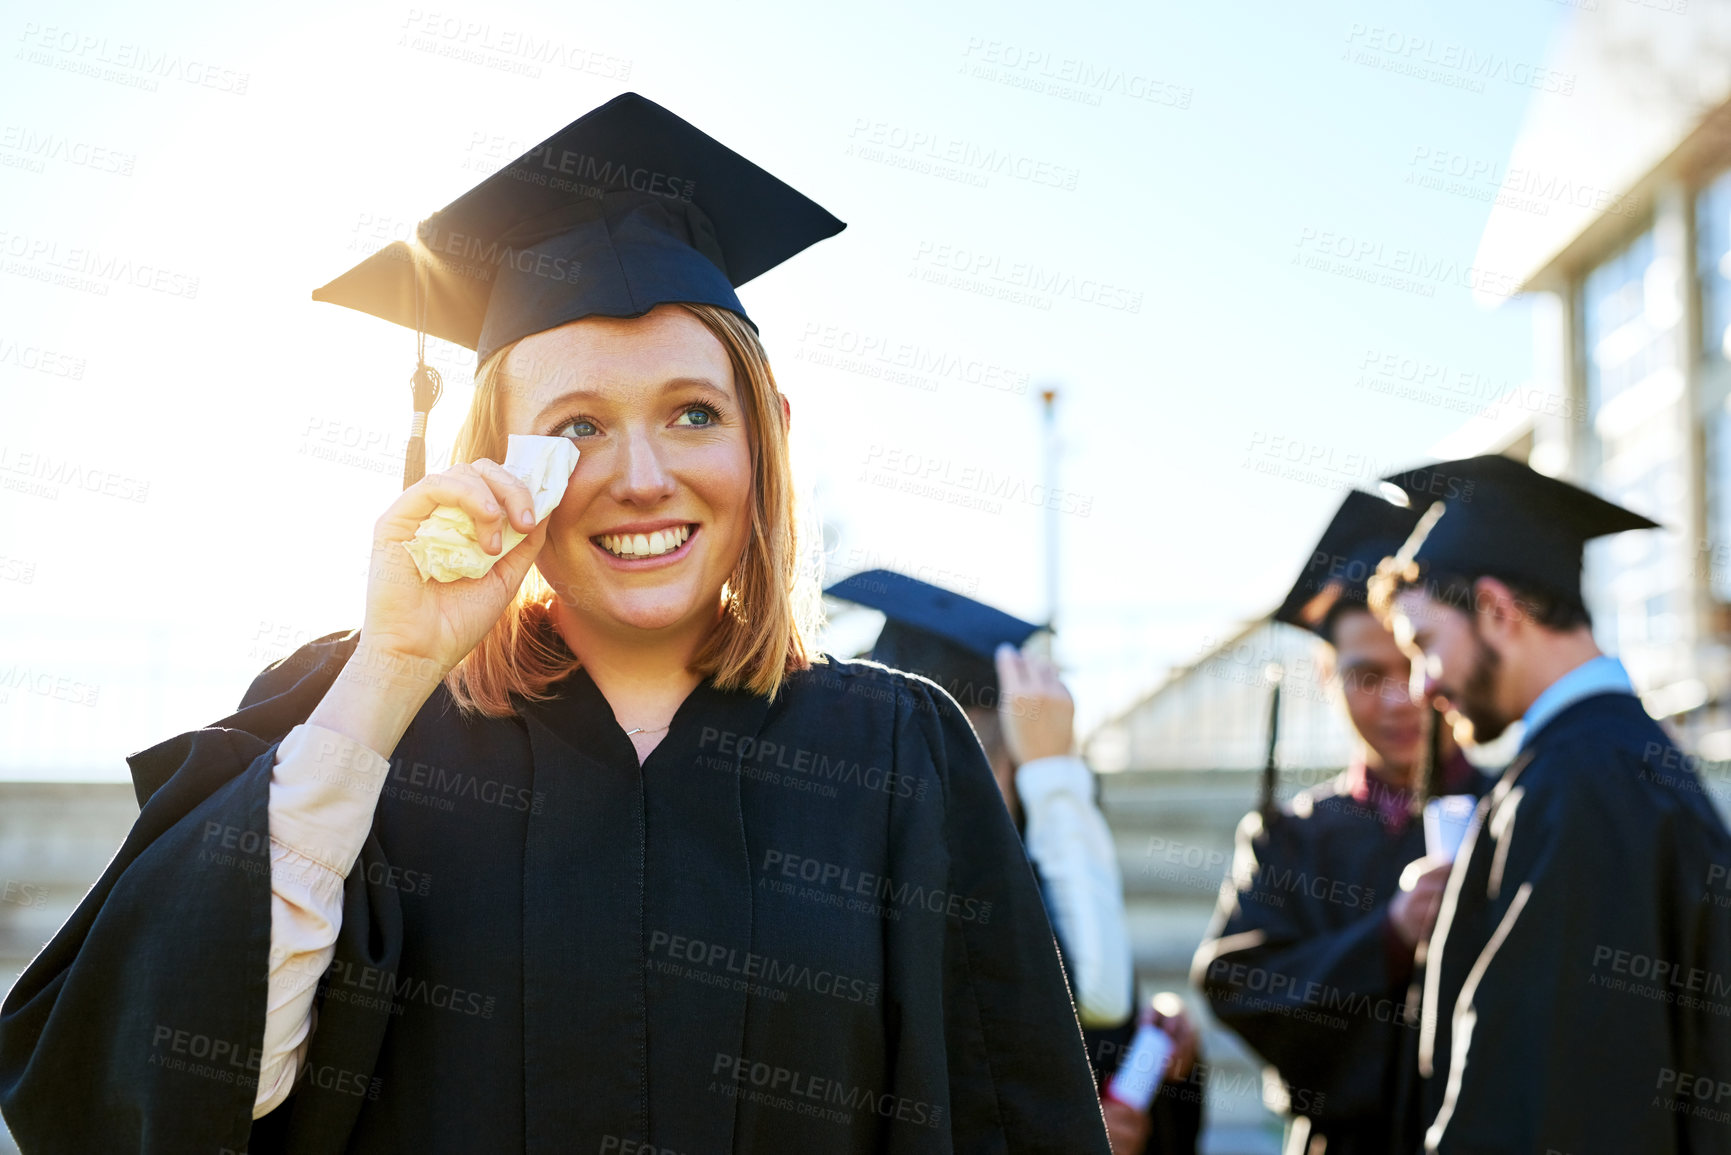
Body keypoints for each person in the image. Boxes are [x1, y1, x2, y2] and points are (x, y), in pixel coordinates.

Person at [0, 94, 1111, 1155]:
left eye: (693, 413)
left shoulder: (898, 757)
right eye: (576, 427)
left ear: (765, 434)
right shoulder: (355, 720)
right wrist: (389, 673)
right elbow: (157, 1097)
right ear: (499, 460)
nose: (642, 476)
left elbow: (1011, 1123)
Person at [1370, 454, 1731, 1154]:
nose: (1419, 688)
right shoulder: (1623, 760)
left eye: (1424, 644)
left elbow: (1553, 1096)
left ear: (1497, 609)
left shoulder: (1579, 782)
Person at [825, 569, 1203, 1155]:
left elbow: (1100, 1014)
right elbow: (1095, 993)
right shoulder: (867, 882)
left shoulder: (1025, 857)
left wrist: (1154, 1037)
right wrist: (1057, 780)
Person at [1193, 489, 1492, 1155]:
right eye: (1365, 676)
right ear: (1326, 677)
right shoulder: (1291, 834)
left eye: (1412, 664)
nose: (1398, 700)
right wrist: (1389, 934)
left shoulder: (1515, 808)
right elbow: (1236, 983)